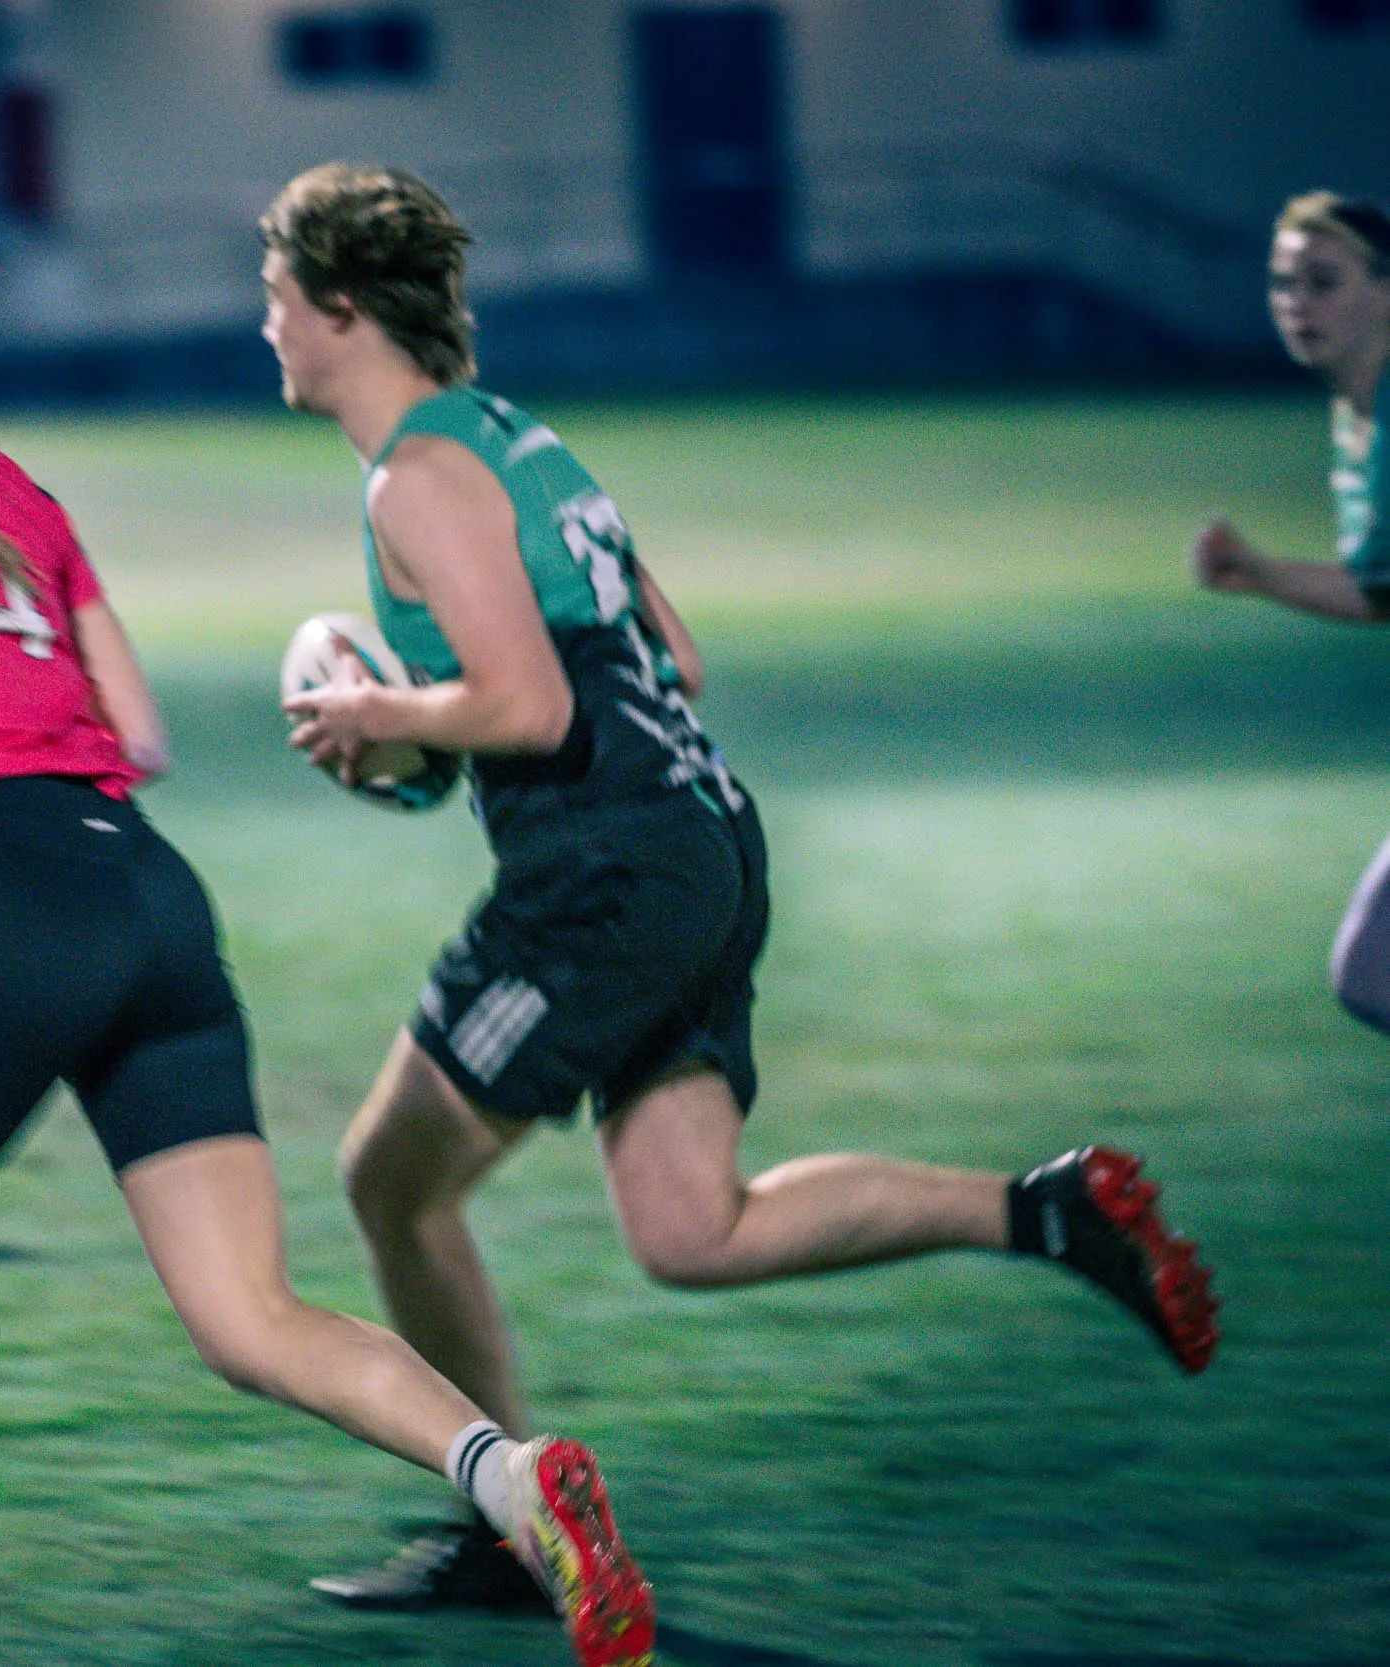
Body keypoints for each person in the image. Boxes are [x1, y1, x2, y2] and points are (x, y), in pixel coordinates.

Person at [261, 163, 1221, 1612]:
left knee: (387, 1180)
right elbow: (677, 661)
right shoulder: (518, 442)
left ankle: (508, 1521)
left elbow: (528, 707)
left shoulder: (416, 478)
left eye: (277, 295)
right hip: (700, 832)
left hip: (604, 863)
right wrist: (428, 719)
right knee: (689, 1226)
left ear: (341, 307)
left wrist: (381, 715)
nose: (265, 324)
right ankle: (1045, 1210)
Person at [0, 219, 657, 1667]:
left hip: (18, 910)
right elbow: (131, 736)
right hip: (150, 900)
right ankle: (511, 1476)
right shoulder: (23, 497)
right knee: (250, 1317)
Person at [1194, 191, 1390, 1033]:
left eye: (1323, 281)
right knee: (1371, 974)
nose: (1296, 303)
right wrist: (1264, 575)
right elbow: (1383, 590)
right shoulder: (1361, 412)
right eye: (1283, 283)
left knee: (1373, 971)